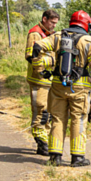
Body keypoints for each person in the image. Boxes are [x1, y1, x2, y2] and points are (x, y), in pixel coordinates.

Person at [30, 10, 91, 167]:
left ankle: (55, 157)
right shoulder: (89, 41)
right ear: (86, 25)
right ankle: (77, 158)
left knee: (57, 119)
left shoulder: (58, 36)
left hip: (57, 86)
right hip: (80, 89)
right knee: (78, 120)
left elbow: (36, 47)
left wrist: (39, 69)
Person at [24, 10, 59, 155]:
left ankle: (44, 141)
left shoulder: (50, 34)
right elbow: (30, 56)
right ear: (44, 19)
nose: (53, 26)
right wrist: (51, 62)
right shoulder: (35, 33)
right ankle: (41, 142)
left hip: (48, 80)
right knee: (40, 110)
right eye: (52, 22)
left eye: (55, 23)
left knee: (48, 112)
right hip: (38, 80)